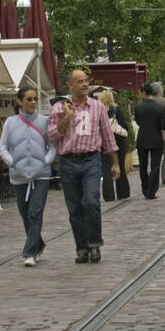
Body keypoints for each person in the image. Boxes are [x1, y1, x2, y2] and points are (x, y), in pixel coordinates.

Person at [47, 69, 120, 264]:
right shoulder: (59, 108)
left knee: (91, 201)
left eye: (86, 81)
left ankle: (94, 243)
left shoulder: (97, 107)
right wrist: (67, 118)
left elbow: (107, 135)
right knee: (75, 208)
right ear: (70, 85)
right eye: (79, 82)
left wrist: (115, 162)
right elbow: (52, 136)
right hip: (68, 161)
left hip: (91, 161)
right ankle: (82, 247)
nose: (85, 84)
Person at [0, 86, 57, 267]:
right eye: (29, 99)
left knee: (35, 212)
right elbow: (2, 147)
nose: (33, 103)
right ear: (20, 101)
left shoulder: (44, 121)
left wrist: (46, 162)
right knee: (25, 215)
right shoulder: (10, 122)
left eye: (35, 99)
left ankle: (29, 253)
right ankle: (37, 244)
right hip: (19, 175)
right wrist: (12, 162)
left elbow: (52, 146)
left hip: (41, 175)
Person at [133, 83, 165, 199]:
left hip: (142, 139)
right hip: (156, 139)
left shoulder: (138, 108)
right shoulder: (160, 108)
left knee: (143, 166)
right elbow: (164, 126)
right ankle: (152, 191)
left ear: (143, 93)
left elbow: (138, 122)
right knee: (155, 166)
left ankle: (145, 189)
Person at [97, 90, 131, 201]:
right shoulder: (117, 109)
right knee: (120, 167)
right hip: (118, 142)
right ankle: (123, 193)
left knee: (106, 169)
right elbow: (125, 127)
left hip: (104, 143)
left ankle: (108, 196)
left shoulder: (98, 111)